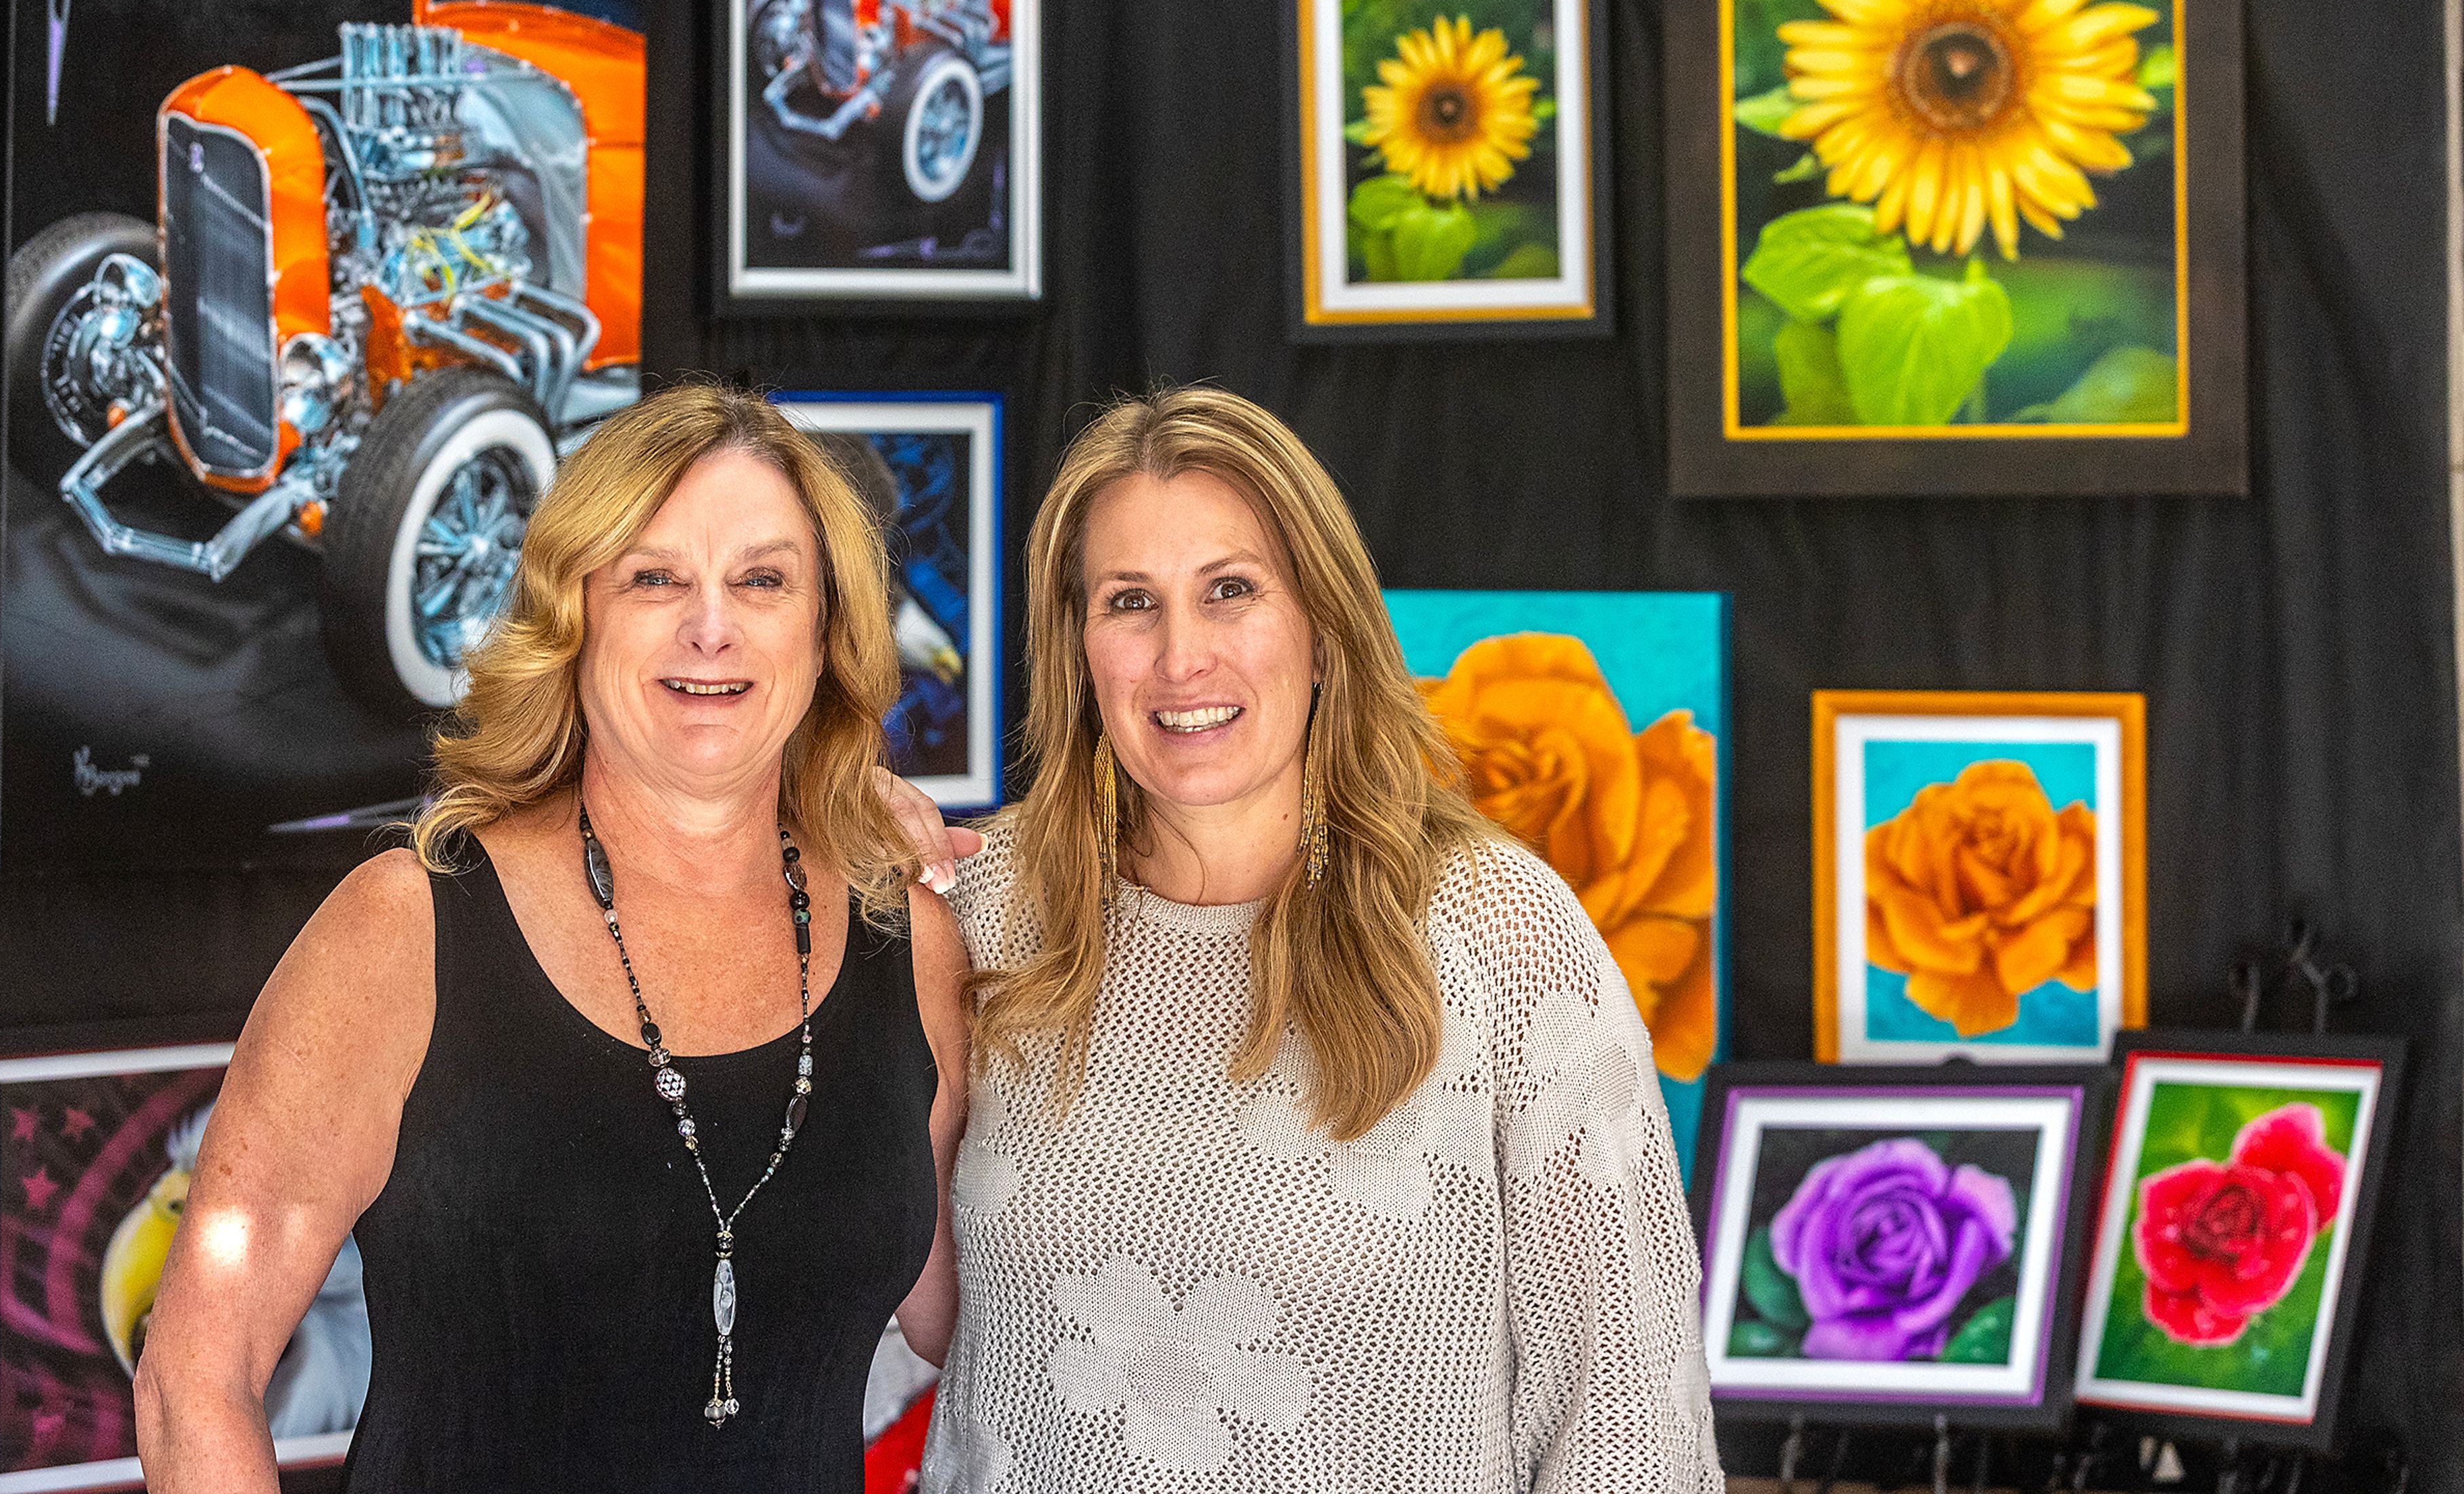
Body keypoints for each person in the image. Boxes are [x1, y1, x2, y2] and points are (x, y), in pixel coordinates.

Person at [133, 383, 970, 1492]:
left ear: (825, 636)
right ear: (574, 619)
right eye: (653, 577)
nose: (709, 623)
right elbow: (194, 1377)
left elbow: (975, 1322)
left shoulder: (910, 941)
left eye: (762, 580)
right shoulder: (407, 928)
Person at [919, 387, 1722, 1491]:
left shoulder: (1501, 935)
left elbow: (1628, 1420)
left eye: (1231, 590)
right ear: (1077, 643)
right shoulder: (978, 912)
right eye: (1129, 602)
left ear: (1323, 625)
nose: (1180, 656)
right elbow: (882, 1320)